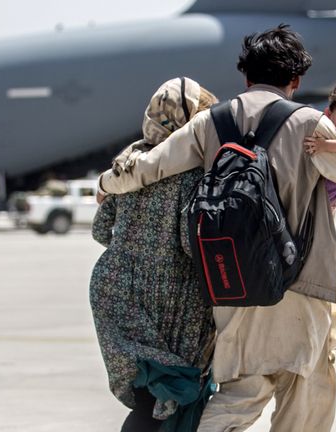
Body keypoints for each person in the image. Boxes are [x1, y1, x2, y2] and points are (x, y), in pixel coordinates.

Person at [96, 25, 336, 432]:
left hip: (232, 285)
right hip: (298, 284)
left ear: (246, 76)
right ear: (295, 80)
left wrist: (107, 185)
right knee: (306, 392)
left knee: (239, 393)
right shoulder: (309, 124)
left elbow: (150, 167)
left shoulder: (211, 121)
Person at [89, 77, 218, 432]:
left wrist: (135, 246)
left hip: (117, 290)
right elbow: (189, 243)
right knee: (174, 397)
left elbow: (101, 231)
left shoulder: (129, 164)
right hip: (173, 299)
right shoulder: (191, 173)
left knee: (147, 397)